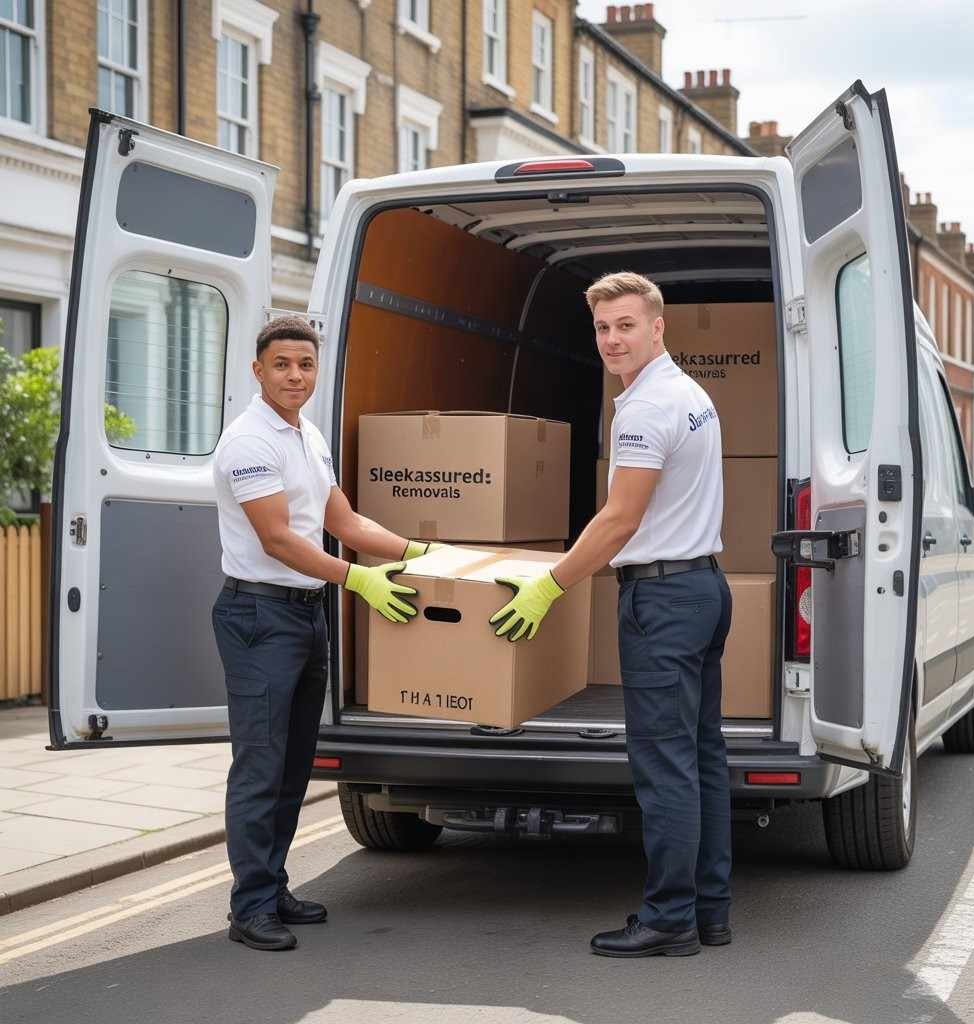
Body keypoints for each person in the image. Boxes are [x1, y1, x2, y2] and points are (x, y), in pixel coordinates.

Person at [489, 272, 732, 958]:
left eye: (626, 324)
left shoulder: (647, 408)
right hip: (703, 589)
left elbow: (620, 518)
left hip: (663, 598)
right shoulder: (691, 395)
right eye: (602, 328)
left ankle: (670, 918)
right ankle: (708, 911)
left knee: (665, 767)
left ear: (659, 327)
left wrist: (550, 584)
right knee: (702, 759)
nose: (612, 339)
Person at [212, 314, 438, 952]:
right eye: (282, 364)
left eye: (305, 365)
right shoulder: (249, 442)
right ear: (257, 371)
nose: (295, 375)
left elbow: (339, 514)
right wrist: (357, 580)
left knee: (291, 764)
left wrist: (418, 551)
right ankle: (249, 906)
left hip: (304, 612)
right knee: (259, 765)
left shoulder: (305, 434)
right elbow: (278, 538)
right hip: (258, 615)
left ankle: (272, 884)